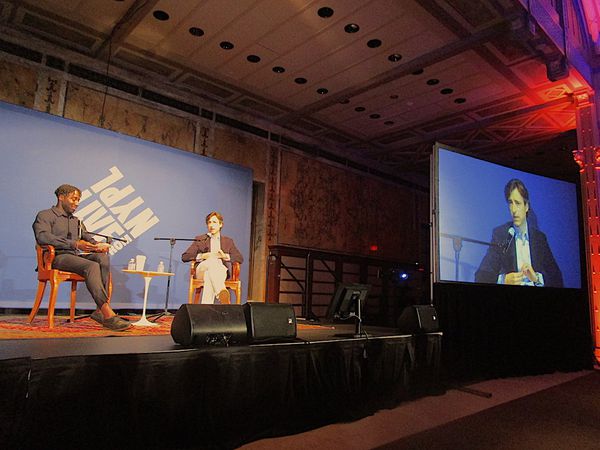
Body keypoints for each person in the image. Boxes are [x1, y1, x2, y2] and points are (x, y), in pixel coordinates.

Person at [33, 184, 131, 330]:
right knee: (91, 266)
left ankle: (99, 311)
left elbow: (87, 238)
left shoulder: (76, 221)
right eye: (74, 199)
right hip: (56, 258)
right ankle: (108, 315)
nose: (77, 203)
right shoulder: (45, 215)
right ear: (61, 197)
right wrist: (75, 244)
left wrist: (97, 245)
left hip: (74, 258)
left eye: (78, 200)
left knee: (102, 258)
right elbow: (43, 237)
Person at [474, 179, 563, 287]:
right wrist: (503, 280)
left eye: (518, 203)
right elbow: (480, 276)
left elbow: (557, 278)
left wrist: (536, 278)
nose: (514, 210)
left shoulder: (539, 238)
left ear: (526, 206)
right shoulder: (502, 235)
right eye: (510, 203)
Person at [181, 211, 243, 304]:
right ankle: (220, 292)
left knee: (209, 275)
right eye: (209, 222)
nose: (211, 225)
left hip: (218, 272)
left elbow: (239, 258)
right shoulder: (201, 239)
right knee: (212, 262)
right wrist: (202, 256)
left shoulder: (228, 241)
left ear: (221, 224)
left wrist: (225, 256)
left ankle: (205, 310)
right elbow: (185, 256)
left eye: (214, 222)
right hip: (202, 269)